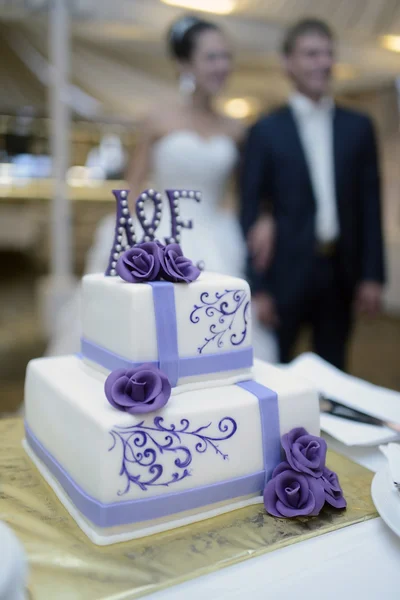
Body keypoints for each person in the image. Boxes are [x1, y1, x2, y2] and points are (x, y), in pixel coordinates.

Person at [46, 14, 278, 362]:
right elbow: (134, 186)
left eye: (227, 56)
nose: (223, 66)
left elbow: (249, 191)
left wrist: (265, 218)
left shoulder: (237, 129)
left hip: (218, 233)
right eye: (212, 57)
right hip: (160, 230)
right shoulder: (158, 118)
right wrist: (127, 235)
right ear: (185, 64)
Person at [240, 19, 385, 370]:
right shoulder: (265, 130)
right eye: (311, 54)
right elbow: (249, 208)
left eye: (328, 54)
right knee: (277, 370)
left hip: (340, 270)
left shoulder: (358, 127)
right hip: (284, 272)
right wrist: (257, 287)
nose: (322, 62)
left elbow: (370, 203)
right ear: (287, 63)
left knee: (336, 372)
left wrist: (373, 275)